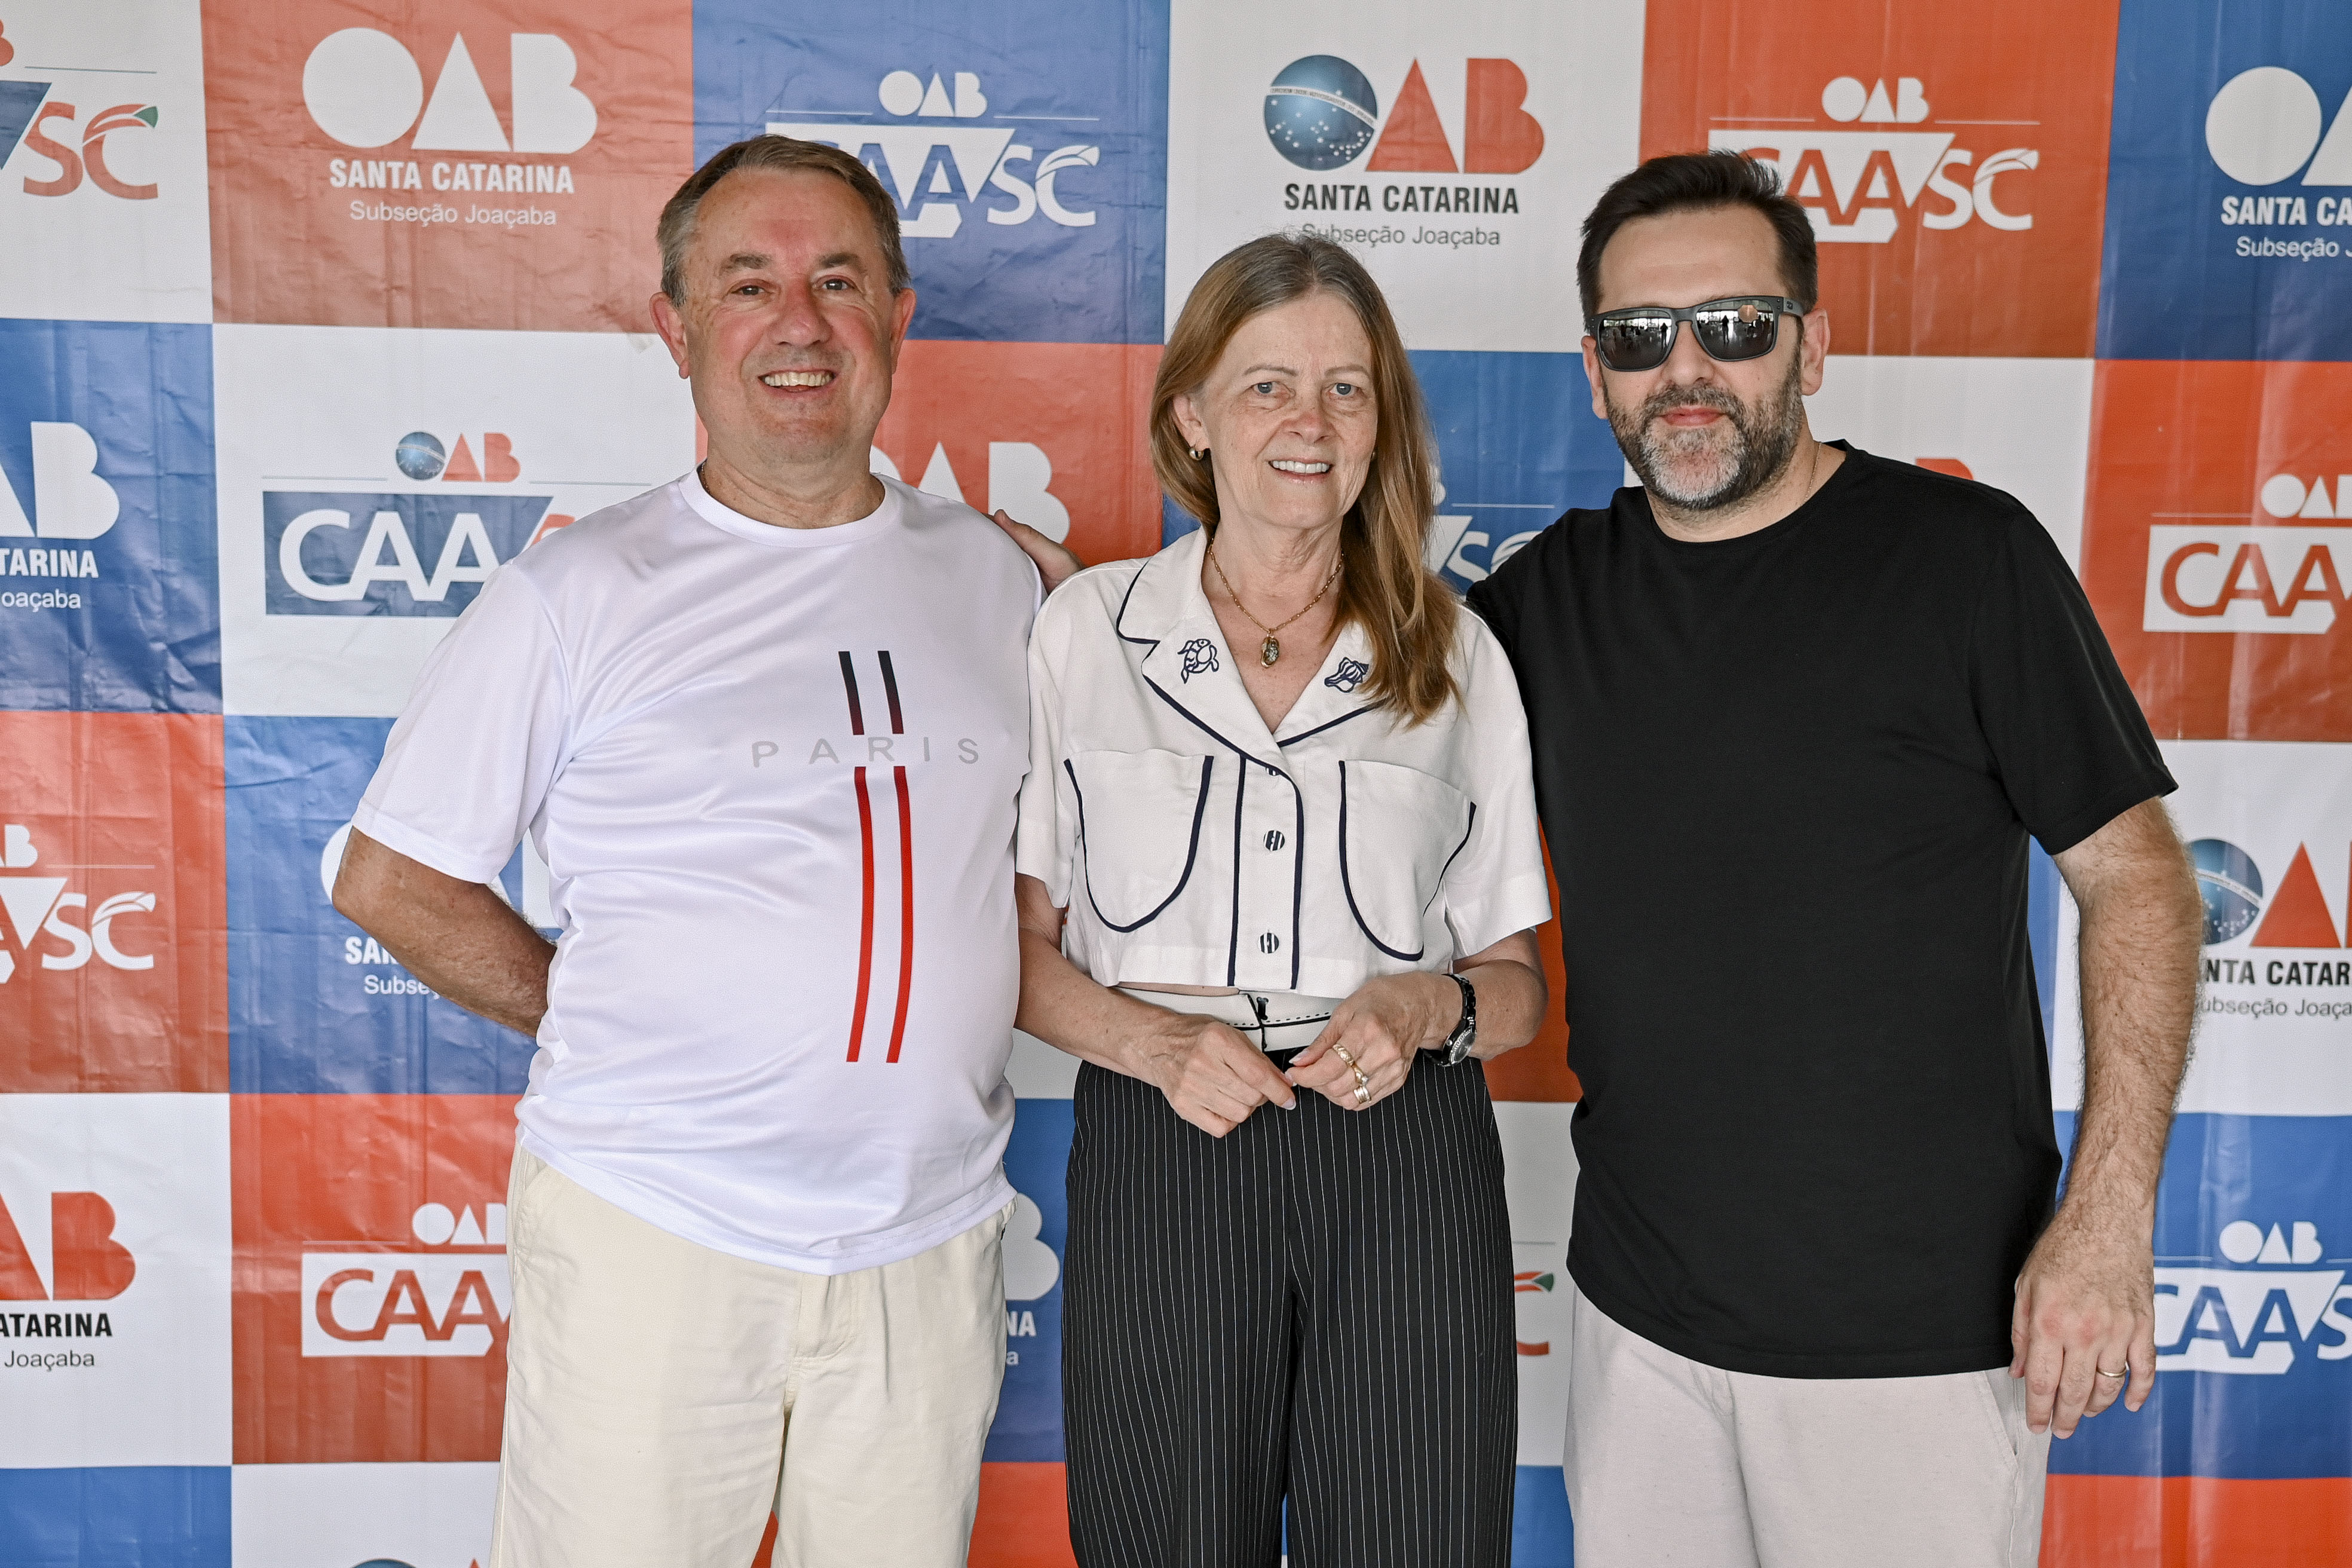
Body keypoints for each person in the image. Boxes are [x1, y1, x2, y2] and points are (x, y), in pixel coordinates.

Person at [333, 135, 1071, 1568]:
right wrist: (599, 1011)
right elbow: (394, 878)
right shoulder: (578, 591)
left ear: (899, 317)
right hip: (654, 1237)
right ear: (676, 329)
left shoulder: (1003, 579)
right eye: (748, 285)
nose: (800, 323)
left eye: (839, 281)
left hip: (924, 1252)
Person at [1467, 151, 2203, 1568]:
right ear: (1595, 372)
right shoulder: (1549, 598)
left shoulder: (1967, 561)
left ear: (1811, 345)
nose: (1687, 370)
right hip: (1640, 1334)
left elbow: (2139, 883)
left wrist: (2110, 1218)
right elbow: (1335, 693)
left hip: (1919, 1347)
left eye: (1736, 327)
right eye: (1641, 337)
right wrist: (1087, 611)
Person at [1011, 233, 1554, 1568]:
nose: (1309, 422)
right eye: (1266, 386)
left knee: (1419, 1541)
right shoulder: (1086, 632)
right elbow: (1017, 954)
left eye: (1345, 389)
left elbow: (1519, 988)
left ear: (1381, 424)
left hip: (1404, 1155)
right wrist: (1153, 1043)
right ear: (1191, 415)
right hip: (1165, 1140)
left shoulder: (1459, 653)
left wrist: (1429, 1009)